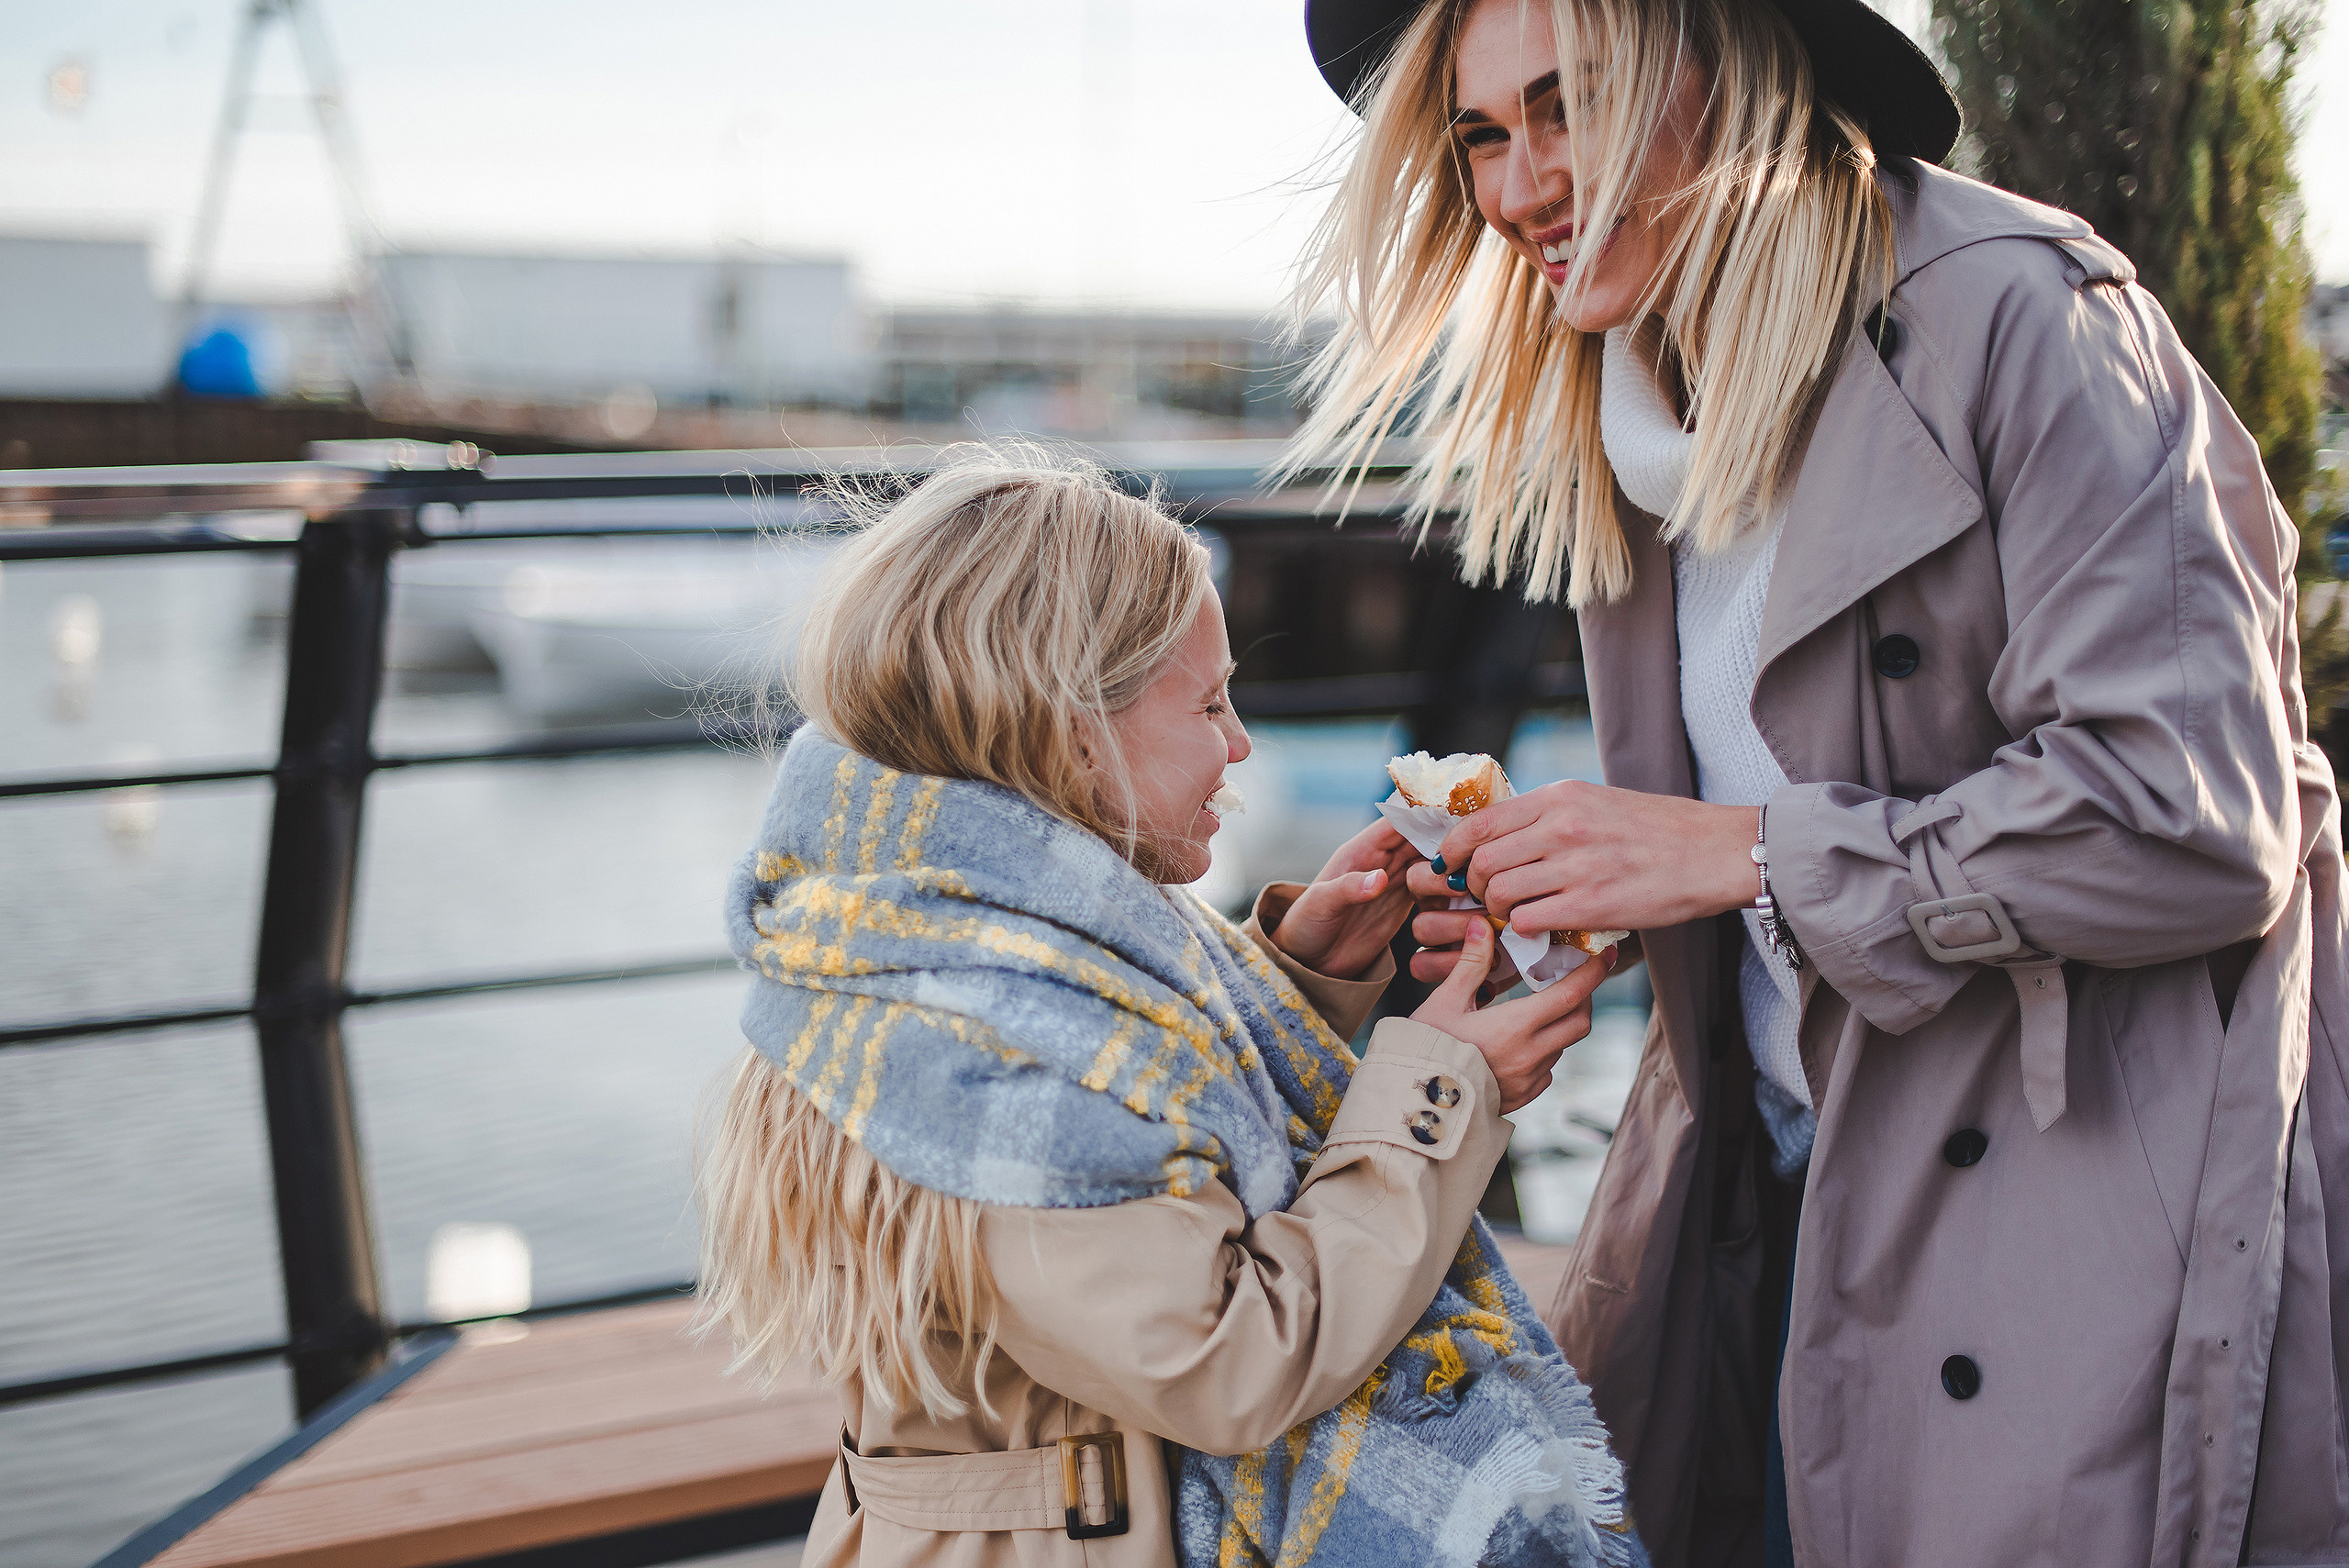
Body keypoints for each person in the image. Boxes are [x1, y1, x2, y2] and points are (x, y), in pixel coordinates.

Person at [1291, 0, 2349, 1564]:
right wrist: (1559, 911)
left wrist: (1739, 856)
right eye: (1483, 137)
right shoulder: (1634, 411)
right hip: (1767, 1211)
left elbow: (2188, 815)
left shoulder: (2030, 321)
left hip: (2067, 1255)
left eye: (1570, 107)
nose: (1518, 189)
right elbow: (1762, 870)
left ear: (1725, 73)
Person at [696, 449, 1647, 1567]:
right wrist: (1442, 1087)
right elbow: (1229, 1362)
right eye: (1207, 700)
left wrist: (1289, 981)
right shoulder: (979, 1043)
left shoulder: (973, 945)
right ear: (1066, 724)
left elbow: (1141, 1163)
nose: (1240, 741)